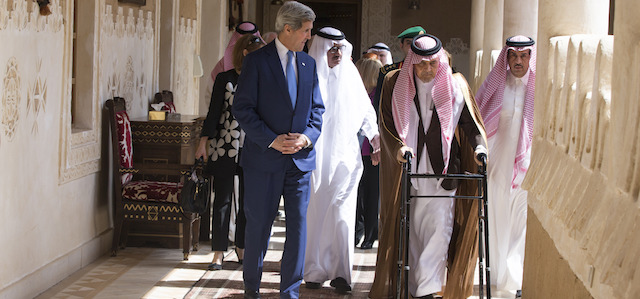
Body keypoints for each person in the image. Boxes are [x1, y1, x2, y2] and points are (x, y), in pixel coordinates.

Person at [370, 34, 488, 299]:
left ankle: (428, 287)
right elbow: (387, 123)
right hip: (410, 173)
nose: (427, 70)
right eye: (421, 64)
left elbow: (470, 122)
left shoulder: (455, 85)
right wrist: (399, 148)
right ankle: (415, 286)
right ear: (411, 63)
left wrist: (479, 146)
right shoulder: (395, 84)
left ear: (440, 63)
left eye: (433, 64)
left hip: (444, 174)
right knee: (413, 231)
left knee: (440, 229)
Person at [231, 2, 324, 298]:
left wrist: (306, 139)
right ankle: (252, 291)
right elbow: (242, 108)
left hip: (299, 163)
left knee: (297, 229)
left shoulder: (308, 63)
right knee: (259, 228)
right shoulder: (257, 62)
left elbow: (318, 111)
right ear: (288, 29)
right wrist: (271, 139)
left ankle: (290, 293)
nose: (309, 37)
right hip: (262, 161)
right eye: (306, 31)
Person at [303, 27, 380, 294]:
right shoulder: (308, 75)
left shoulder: (351, 76)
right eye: (331, 48)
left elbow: (366, 110)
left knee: (343, 214)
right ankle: (314, 270)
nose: (336, 53)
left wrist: (375, 136)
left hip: (346, 158)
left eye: (340, 48)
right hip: (315, 159)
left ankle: (341, 275)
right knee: (316, 214)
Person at [195, 34, 266, 271]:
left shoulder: (262, 79)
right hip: (224, 146)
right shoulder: (225, 78)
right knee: (223, 200)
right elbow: (214, 111)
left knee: (248, 202)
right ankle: (218, 252)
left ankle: (242, 247)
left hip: (253, 147)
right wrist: (202, 142)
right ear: (245, 53)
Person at [474, 35, 536, 298]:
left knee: (520, 218)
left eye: (524, 56)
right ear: (506, 58)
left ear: (531, 58)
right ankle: (499, 274)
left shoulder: (538, 87)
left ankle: (515, 276)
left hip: (525, 164)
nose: (518, 61)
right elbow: (478, 116)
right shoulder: (496, 83)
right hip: (498, 164)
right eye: (513, 55)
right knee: (496, 216)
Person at [354, 53, 384, 250]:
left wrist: (377, 148)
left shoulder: (378, 96)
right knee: (357, 193)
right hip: (356, 151)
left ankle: (370, 235)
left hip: (373, 152)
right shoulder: (357, 94)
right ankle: (356, 231)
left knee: (372, 195)